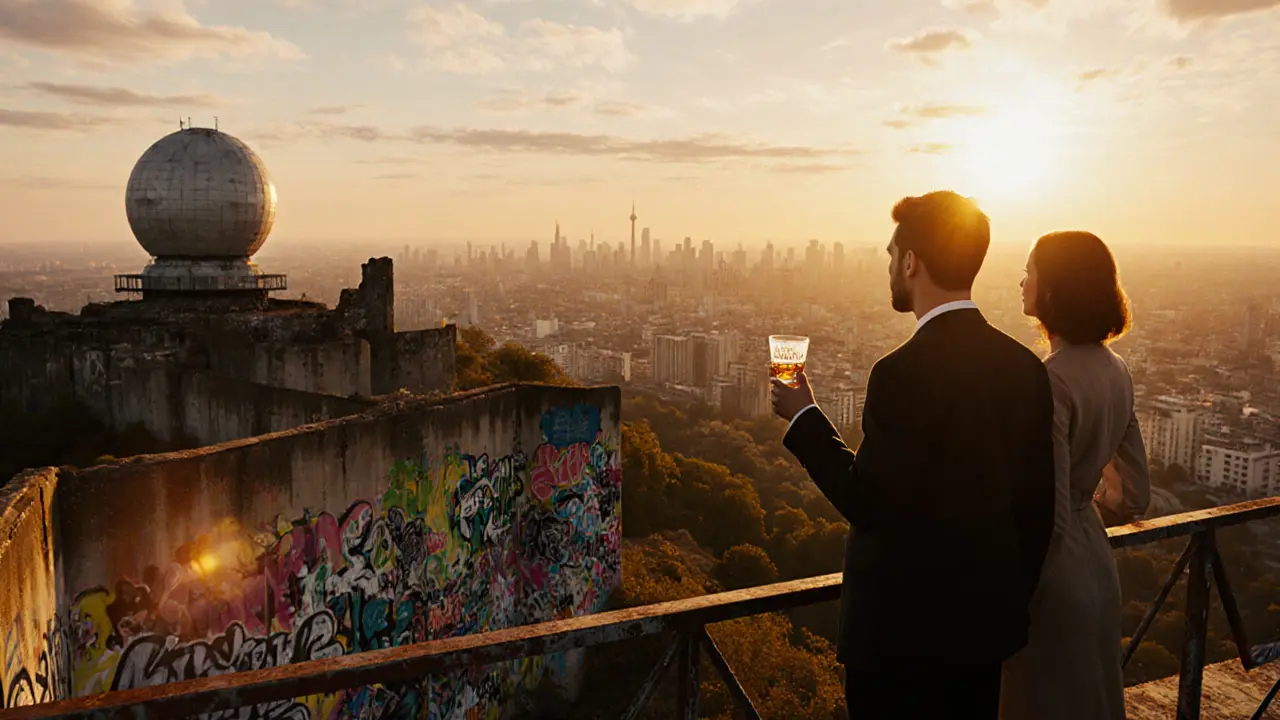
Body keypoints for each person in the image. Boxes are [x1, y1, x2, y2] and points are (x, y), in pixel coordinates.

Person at [771, 191, 1056, 718]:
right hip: (980, 639)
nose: (888, 269)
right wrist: (999, 605)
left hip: (898, 647)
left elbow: (868, 500)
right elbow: (1037, 511)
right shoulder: (1024, 368)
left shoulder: (900, 373)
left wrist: (803, 417)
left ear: (910, 261)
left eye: (889, 256)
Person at [1000, 231, 1150, 719]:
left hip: (1051, 580)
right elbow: (1134, 496)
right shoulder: (1118, 371)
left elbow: (1050, 511)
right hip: (1096, 568)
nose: (1022, 280)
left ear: (1055, 288)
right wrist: (1092, 503)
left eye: (1031, 270)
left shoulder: (1050, 378)